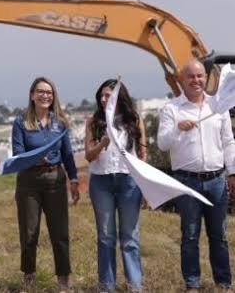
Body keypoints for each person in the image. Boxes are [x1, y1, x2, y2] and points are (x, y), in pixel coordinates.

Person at [158, 60, 235, 292]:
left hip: (216, 180)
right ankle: (192, 283)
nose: (196, 81)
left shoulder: (218, 106)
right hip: (187, 181)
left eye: (200, 76)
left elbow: (228, 142)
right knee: (190, 236)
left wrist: (233, 172)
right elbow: (162, 144)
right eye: (190, 76)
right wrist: (177, 128)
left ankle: (223, 283)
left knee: (219, 235)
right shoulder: (171, 109)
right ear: (182, 80)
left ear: (207, 78)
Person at [11, 76, 79, 293]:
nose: (45, 95)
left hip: (55, 181)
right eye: (40, 91)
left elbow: (67, 154)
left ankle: (63, 280)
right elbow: (18, 154)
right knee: (29, 232)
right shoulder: (20, 122)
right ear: (32, 95)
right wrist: (34, 158)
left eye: (49, 92)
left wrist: (74, 179)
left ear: (53, 96)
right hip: (28, 182)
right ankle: (29, 277)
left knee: (60, 233)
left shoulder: (60, 123)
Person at [85, 79, 146, 292]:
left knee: (130, 236)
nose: (103, 99)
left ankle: (135, 285)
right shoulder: (94, 122)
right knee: (105, 236)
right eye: (101, 96)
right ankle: (107, 286)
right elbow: (89, 156)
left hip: (129, 181)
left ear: (119, 97)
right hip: (101, 182)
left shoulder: (134, 120)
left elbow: (142, 154)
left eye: (108, 95)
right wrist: (102, 144)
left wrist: (145, 184)